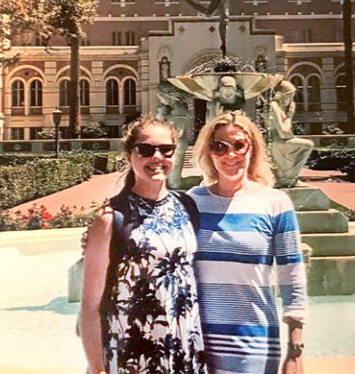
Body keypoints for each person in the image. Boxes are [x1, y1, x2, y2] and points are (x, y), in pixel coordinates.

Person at [80, 115, 208, 374]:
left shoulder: (187, 206)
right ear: (129, 156)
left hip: (185, 352)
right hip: (132, 356)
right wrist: (97, 367)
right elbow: (90, 306)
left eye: (166, 149)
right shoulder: (110, 219)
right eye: (146, 150)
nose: (157, 157)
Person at [188, 110, 308, 374]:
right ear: (209, 152)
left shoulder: (274, 203)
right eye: (219, 146)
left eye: (238, 145)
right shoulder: (192, 201)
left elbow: (292, 278)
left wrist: (295, 350)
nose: (230, 154)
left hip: (254, 344)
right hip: (197, 344)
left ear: (251, 148)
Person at [268, 81, 314, 188]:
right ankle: (289, 179)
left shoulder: (280, 107)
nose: (291, 100)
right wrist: (289, 116)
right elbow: (284, 133)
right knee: (308, 145)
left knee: (306, 145)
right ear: (284, 96)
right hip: (277, 142)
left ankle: (289, 178)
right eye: (290, 97)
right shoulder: (274, 106)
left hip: (281, 142)